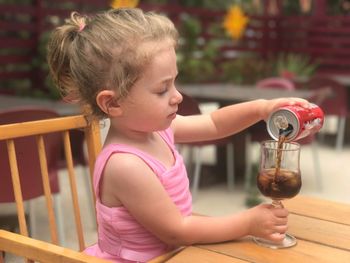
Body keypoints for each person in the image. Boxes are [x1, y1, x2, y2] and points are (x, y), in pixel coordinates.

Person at [47, 8, 309, 263]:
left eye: (174, 82)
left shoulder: (158, 130)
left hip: (178, 253)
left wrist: (262, 108)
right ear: (112, 104)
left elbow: (213, 124)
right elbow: (177, 229)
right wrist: (248, 223)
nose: (177, 96)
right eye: (162, 89)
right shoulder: (125, 164)